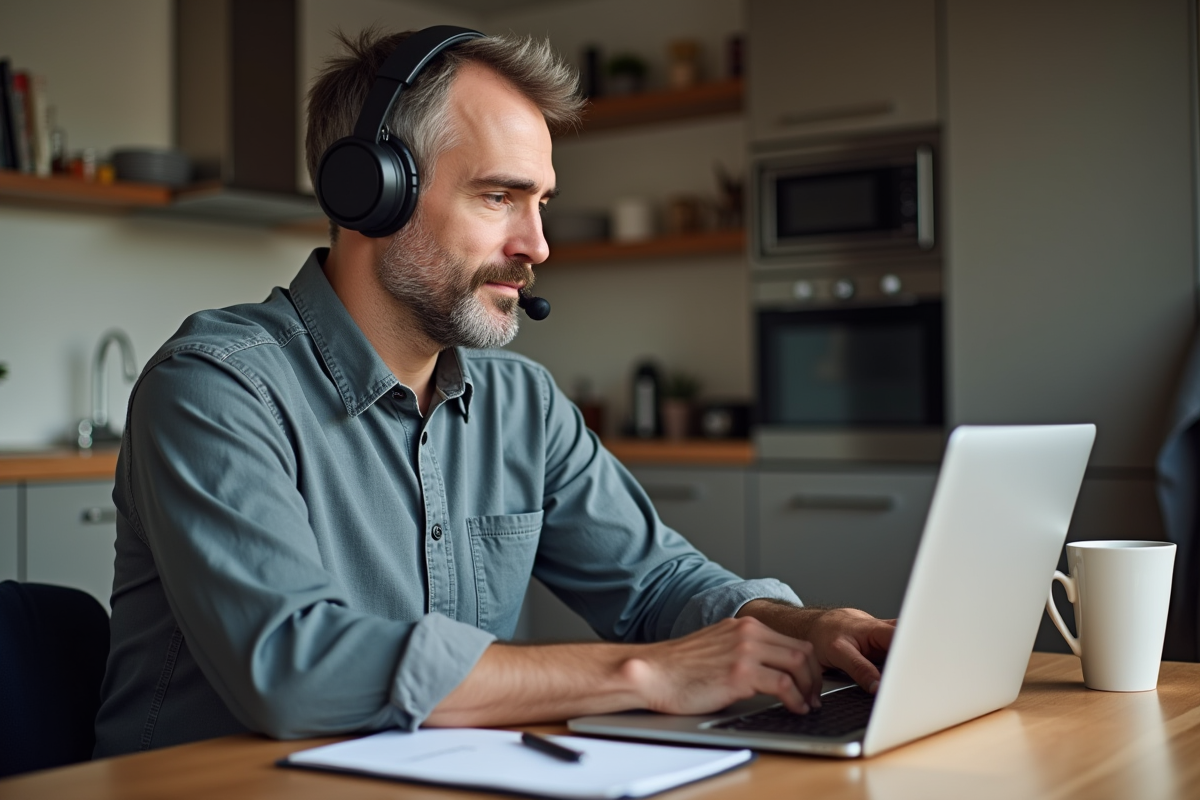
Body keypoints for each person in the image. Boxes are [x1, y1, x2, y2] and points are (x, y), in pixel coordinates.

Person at [93, 28, 894, 757]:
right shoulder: (216, 388)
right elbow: (293, 666)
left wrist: (804, 629)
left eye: (540, 203)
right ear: (370, 191)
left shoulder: (524, 406)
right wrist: (646, 674)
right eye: (498, 196)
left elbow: (657, 585)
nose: (537, 244)